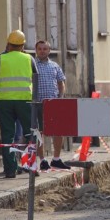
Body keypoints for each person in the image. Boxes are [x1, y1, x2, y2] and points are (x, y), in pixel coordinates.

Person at [0, 30, 38, 178]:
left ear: (8, 44)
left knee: (7, 136)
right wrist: (35, 102)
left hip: (4, 102)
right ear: (22, 45)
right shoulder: (30, 59)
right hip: (25, 101)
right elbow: (36, 81)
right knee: (30, 134)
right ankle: (32, 167)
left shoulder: (0, 59)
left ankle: (10, 170)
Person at [35, 40, 71, 171]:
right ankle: (42, 160)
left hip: (54, 104)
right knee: (39, 132)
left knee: (58, 131)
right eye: (40, 49)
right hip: (38, 103)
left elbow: (61, 83)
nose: (42, 51)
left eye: (45, 49)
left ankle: (56, 159)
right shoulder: (32, 65)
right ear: (36, 50)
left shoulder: (54, 66)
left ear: (49, 51)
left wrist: (60, 98)